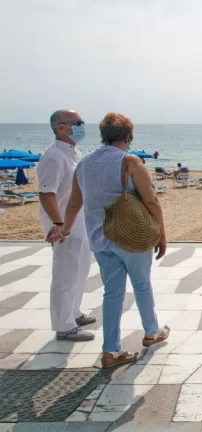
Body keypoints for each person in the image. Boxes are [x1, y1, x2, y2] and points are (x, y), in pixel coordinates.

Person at [47, 112, 169, 368]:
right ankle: (151, 332)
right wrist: (161, 233)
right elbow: (151, 201)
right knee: (141, 285)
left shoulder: (84, 164)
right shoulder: (130, 161)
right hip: (131, 236)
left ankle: (110, 351)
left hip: (100, 238)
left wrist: (65, 230)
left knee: (112, 293)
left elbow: (74, 204)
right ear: (128, 136)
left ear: (103, 135)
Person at [38, 109, 95, 342]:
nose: (82, 126)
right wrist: (58, 223)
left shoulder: (73, 153)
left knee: (80, 270)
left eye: (82, 122)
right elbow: (46, 193)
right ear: (60, 128)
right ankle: (64, 326)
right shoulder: (53, 157)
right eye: (77, 123)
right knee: (65, 274)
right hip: (63, 226)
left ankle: (74, 312)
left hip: (79, 223)